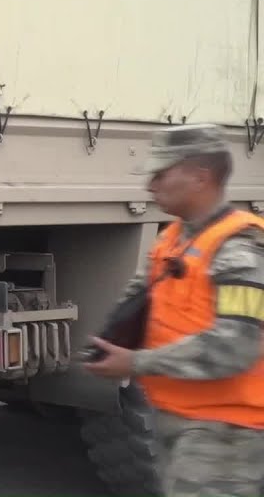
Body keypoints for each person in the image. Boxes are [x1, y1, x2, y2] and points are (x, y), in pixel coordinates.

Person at [85, 123, 264, 497]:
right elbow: (143, 295)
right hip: (181, 422)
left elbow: (235, 345)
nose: (150, 185)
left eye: (160, 174)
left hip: (226, 434)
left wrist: (136, 363)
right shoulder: (174, 237)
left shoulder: (240, 249)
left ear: (201, 177)